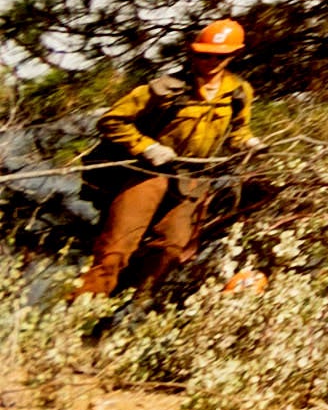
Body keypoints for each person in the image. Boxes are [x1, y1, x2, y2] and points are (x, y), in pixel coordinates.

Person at [78, 16, 258, 304]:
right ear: (193, 53)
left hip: (192, 181)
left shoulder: (239, 92)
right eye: (204, 54)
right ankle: (79, 315)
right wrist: (146, 147)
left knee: (171, 250)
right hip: (148, 173)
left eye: (219, 56)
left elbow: (238, 129)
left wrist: (247, 143)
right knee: (115, 249)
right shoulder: (164, 89)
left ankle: (128, 313)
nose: (210, 61)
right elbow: (112, 120)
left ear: (233, 55)